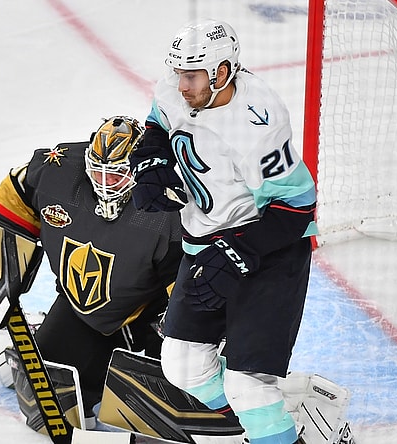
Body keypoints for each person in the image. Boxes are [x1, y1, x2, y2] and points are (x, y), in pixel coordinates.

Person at [129, 19, 319, 444]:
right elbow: (158, 125)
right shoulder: (173, 90)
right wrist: (151, 164)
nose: (181, 84)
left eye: (191, 75)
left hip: (269, 252)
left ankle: (274, 424)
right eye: (178, 73)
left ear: (222, 72)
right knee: (182, 366)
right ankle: (265, 424)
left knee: (246, 384)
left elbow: (296, 208)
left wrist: (237, 252)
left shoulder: (259, 123)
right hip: (205, 245)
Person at [0, 116, 183, 430]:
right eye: (98, 171)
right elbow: (17, 193)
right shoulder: (59, 173)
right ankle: (27, 339)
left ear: (136, 172)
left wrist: (185, 334)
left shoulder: (166, 205)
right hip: (82, 311)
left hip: (150, 317)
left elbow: (188, 282)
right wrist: (1, 256)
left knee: (168, 399)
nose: (105, 183)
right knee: (48, 399)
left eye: (117, 175)